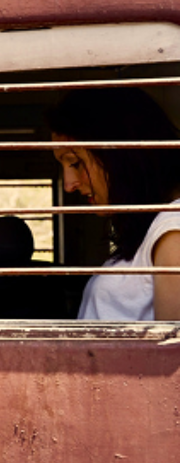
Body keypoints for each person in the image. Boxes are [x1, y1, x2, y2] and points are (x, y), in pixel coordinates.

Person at [48, 87, 180, 320]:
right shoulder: (152, 229)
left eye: (75, 163)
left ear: (120, 154)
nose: (69, 184)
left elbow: (172, 343)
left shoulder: (173, 232)